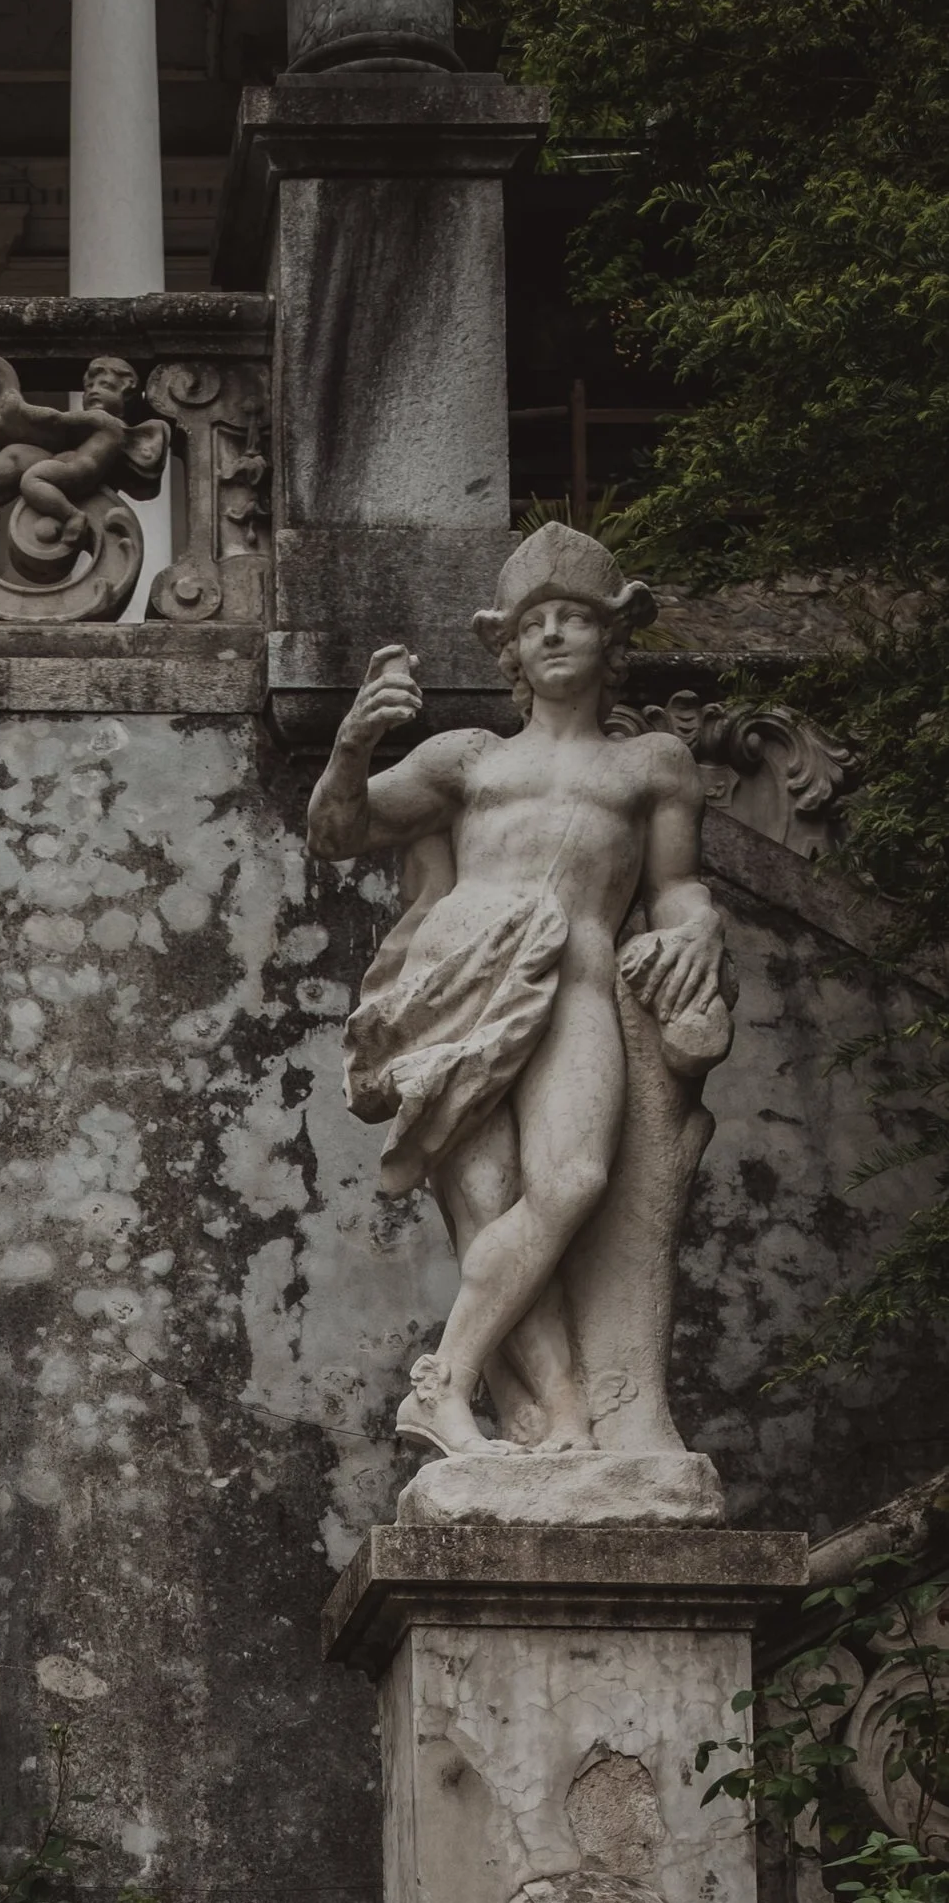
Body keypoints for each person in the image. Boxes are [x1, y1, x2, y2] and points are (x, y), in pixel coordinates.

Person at [306, 520, 729, 1464]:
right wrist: (349, 745)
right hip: (462, 984)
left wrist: (698, 929)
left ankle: (446, 1383)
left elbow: (674, 888)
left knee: (574, 1179)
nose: (552, 635)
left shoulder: (650, 765)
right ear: (510, 649)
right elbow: (336, 834)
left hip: (577, 979)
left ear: (610, 641)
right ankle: (548, 1417)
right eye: (534, 622)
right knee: (490, 1200)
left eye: (574, 618)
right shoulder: (468, 759)